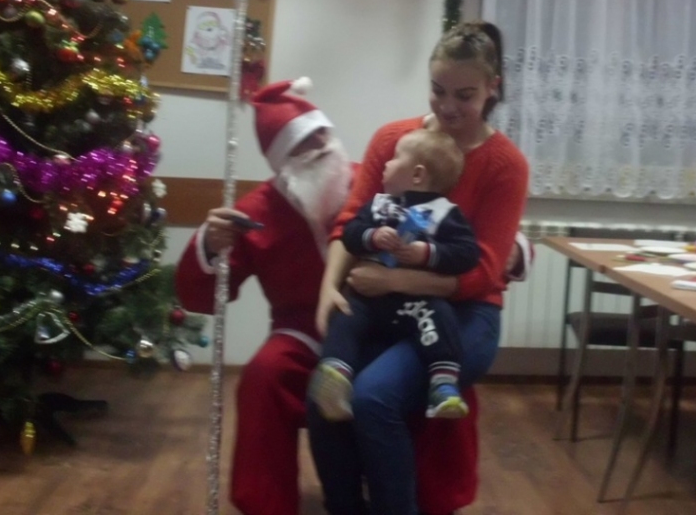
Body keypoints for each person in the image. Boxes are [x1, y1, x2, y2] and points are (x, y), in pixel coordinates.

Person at [174, 77, 527, 515]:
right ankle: (269, 503)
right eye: (303, 145)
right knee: (264, 376)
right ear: (282, 160)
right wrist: (210, 245)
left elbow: (464, 229)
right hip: (305, 331)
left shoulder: (378, 184)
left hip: (389, 320)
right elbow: (199, 297)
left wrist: (514, 249)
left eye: (323, 135)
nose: (320, 148)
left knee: (435, 369)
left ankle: (433, 499)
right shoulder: (254, 213)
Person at [311, 20, 530, 515]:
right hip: (388, 306)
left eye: (464, 95)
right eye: (437, 90)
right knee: (324, 396)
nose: (448, 107)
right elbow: (352, 221)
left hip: (467, 315)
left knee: (373, 398)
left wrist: (394, 278)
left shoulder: (505, 165)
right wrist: (329, 288)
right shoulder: (394, 140)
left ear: (492, 88)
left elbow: (484, 271)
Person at [311, 128, 480, 423]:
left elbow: (467, 254)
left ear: (417, 175)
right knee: (344, 316)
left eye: (395, 158)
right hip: (367, 299)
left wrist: (426, 253)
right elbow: (350, 234)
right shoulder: (379, 205)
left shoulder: (445, 214)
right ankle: (335, 377)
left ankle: (443, 385)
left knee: (442, 316)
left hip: (415, 303)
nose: (386, 164)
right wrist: (372, 236)